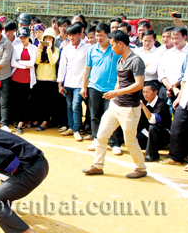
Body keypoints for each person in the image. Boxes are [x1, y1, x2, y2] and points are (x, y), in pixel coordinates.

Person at [82, 30, 147, 179]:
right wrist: (114, 94)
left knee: (130, 141)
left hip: (130, 108)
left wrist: (117, 93)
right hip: (115, 106)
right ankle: (97, 166)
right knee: (101, 136)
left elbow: (139, 84)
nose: (111, 48)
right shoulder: (119, 60)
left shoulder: (136, 61)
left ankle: (141, 168)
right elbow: (119, 82)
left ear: (121, 44)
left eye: (112, 45)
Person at [81, 23, 123, 153]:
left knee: (112, 117)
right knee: (95, 115)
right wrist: (84, 86)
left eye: (101, 36)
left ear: (108, 35)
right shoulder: (92, 50)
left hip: (111, 89)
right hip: (94, 87)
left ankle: (114, 143)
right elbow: (87, 69)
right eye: (97, 36)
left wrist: (117, 88)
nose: (99, 38)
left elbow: (121, 70)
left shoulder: (115, 50)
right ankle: (96, 139)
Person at [162, 53, 188, 172]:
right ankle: (176, 157)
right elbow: (184, 80)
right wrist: (179, 97)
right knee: (177, 128)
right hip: (186, 99)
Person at [57, 23, 91, 141]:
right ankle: (71, 127)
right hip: (68, 83)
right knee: (69, 105)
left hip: (80, 84)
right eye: (69, 35)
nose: (71, 38)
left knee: (76, 105)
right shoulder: (66, 48)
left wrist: (86, 84)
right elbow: (62, 67)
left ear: (80, 34)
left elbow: (88, 67)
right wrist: (60, 83)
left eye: (73, 35)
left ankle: (77, 129)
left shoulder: (87, 48)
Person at [30, 28, 60, 131]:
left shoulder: (56, 50)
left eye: (50, 38)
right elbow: (37, 61)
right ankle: (38, 119)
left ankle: (45, 122)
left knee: (48, 103)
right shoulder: (40, 49)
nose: (47, 40)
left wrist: (48, 49)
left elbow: (52, 61)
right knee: (39, 102)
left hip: (51, 80)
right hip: (39, 78)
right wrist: (39, 49)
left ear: (53, 40)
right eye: (46, 38)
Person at [10, 27, 37, 134]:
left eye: (25, 37)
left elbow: (31, 63)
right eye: (21, 37)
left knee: (24, 102)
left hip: (27, 79)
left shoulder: (34, 48)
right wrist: (24, 65)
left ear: (29, 37)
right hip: (16, 77)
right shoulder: (15, 47)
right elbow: (12, 63)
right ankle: (17, 120)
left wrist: (19, 61)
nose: (23, 39)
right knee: (16, 101)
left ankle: (21, 123)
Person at [136, 82, 171, 161]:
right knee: (135, 142)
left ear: (155, 92)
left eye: (147, 92)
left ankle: (152, 155)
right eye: (144, 92)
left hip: (162, 133)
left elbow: (153, 120)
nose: (145, 94)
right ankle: (150, 147)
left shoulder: (162, 104)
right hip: (148, 132)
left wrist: (144, 108)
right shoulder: (144, 101)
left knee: (153, 127)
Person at [157, 27, 188, 107]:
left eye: (177, 38)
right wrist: (167, 84)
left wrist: (174, 85)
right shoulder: (167, 53)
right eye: (172, 38)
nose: (174, 41)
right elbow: (160, 70)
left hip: (180, 89)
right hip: (165, 87)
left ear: (185, 37)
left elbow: (187, 73)